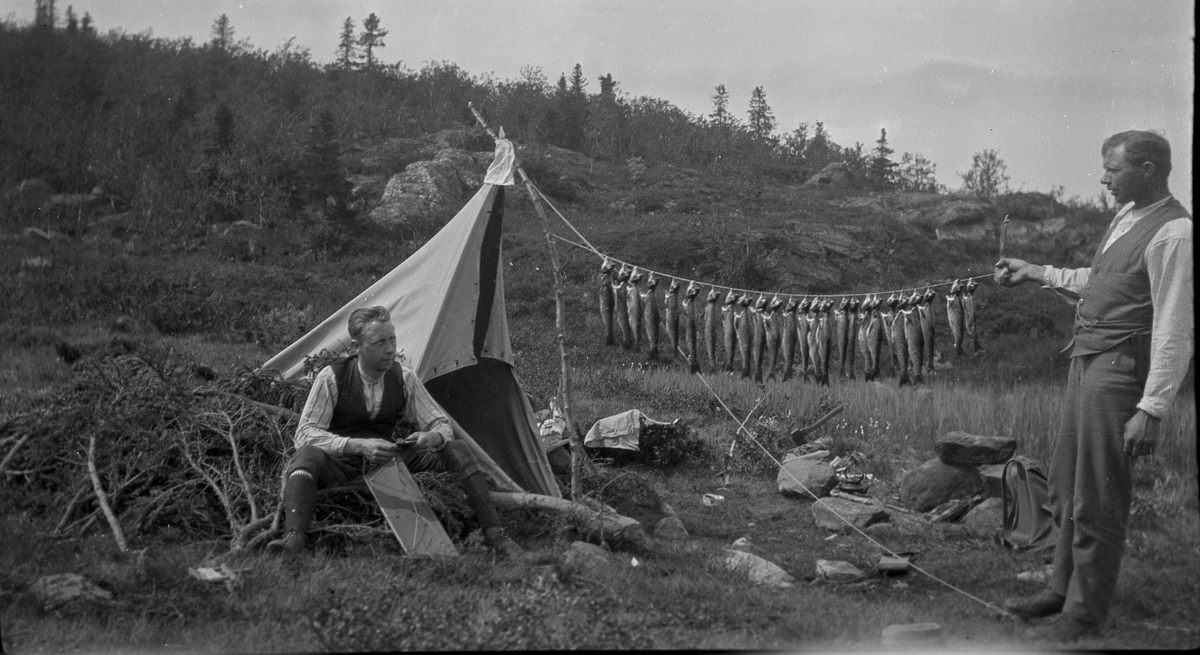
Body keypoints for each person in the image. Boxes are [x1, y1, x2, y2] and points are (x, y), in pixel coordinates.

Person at [993, 130, 1193, 641]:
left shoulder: (1174, 234)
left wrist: (1151, 408)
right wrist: (1035, 271)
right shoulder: (1126, 216)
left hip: (1120, 371)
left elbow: (1174, 327)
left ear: (1149, 169)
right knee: (1065, 483)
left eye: (1113, 169)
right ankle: (1060, 590)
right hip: (1085, 363)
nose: (1103, 178)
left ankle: (1084, 617)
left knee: (1099, 497)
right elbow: (1099, 281)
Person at [267, 305, 525, 559]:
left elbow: (440, 424)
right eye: (380, 342)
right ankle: (294, 539)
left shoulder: (404, 378)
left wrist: (430, 437)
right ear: (357, 347)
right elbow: (305, 433)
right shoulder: (331, 377)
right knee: (306, 456)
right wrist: (357, 446)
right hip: (342, 466)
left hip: (388, 465)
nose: (390, 349)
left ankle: (496, 537)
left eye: (392, 339)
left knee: (457, 448)